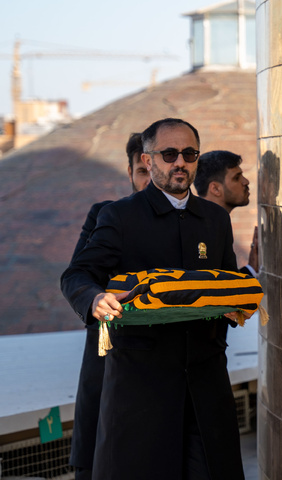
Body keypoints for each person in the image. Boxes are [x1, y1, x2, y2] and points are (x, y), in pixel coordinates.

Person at [61, 118, 249, 480]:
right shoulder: (119, 215)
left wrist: (237, 302)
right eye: (169, 154)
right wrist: (95, 298)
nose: (180, 162)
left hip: (206, 387)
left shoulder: (215, 219)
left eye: (189, 153)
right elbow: (76, 275)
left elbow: (224, 282)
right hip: (141, 390)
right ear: (148, 161)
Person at [69, 132, 149, 480]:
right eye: (141, 171)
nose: (149, 179)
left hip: (163, 366)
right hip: (110, 358)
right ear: (130, 173)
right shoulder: (105, 215)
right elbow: (79, 276)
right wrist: (98, 299)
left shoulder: (190, 222)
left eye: (153, 169)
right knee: (102, 458)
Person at [194, 149, 258, 274]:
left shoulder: (217, 224)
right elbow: (209, 286)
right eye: (236, 178)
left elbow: (224, 281)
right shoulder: (200, 230)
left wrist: (251, 269)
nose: (246, 182)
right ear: (216, 189)